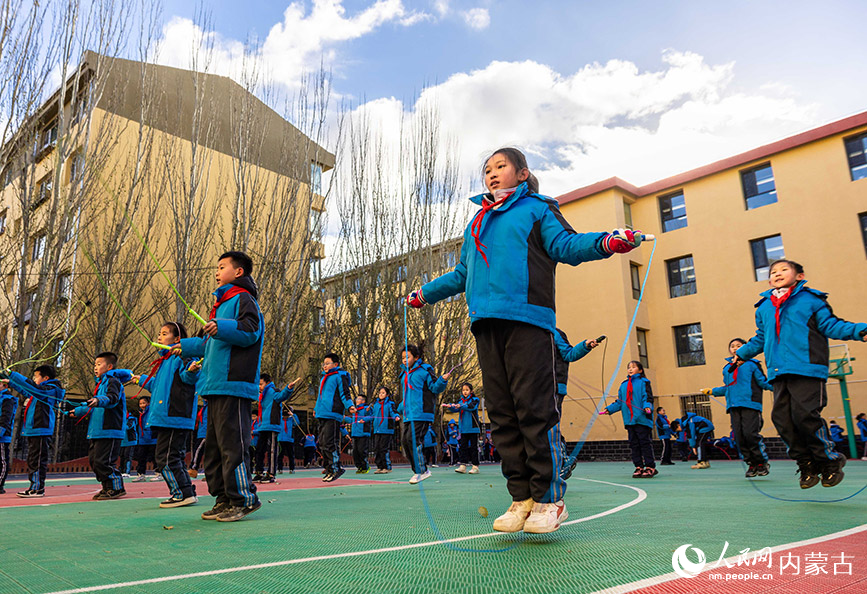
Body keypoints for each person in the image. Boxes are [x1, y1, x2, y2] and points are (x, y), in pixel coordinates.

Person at [407, 147, 644, 533]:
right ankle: (521, 499)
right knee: (501, 416)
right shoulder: (477, 223)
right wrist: (424, 294)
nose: (492, 174)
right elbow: (461, 273)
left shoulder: (537, 209)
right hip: (486, 324)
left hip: (529, 321)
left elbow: (566, 245)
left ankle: (550, 499)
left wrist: (608, 242)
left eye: (500, 166)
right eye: (487, 169)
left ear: (522, 173)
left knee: (534, 409)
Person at [733, 259, 867, 488]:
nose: (777, 273)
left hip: (807, 368)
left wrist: (859, 331)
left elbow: (832, 326)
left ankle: (829, 461)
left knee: (805, 415)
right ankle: (806, 464)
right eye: (773, 272)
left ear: (799, 276)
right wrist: (742, 353)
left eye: (784, 270)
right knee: (782, 420)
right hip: (779, 371)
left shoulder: (811, 301)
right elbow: (761, 338)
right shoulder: (765, 306)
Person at [176, 250, 264, 521]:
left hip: (233, 385)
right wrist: (184, 346)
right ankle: (223, 497)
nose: (216, 271)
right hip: (213, 385)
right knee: (213, 448)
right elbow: (209, 344)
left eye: (222, 266)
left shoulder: (243, 299)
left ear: (238, 272)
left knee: (232, 445)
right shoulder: (221, 303)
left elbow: (250, 330)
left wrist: (220, 326)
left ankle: (243, 498)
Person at [133, 322, 201, 507]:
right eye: (159, 333)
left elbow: (189, 377)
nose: (159, 337)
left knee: (165, 458)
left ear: (177, 339)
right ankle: (185, 490)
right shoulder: (166, 360)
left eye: (164, 333)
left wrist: (192, 370)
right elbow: (158, 386)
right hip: (166, 416)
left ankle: (182, 493)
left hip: (174, 416)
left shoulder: (182, 356)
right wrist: (141, 380)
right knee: (172, 457)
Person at [702, 338, 773, 478]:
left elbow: (763, 382)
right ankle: (751, 464)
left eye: (739, 346)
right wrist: (712, 391)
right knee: (739, 438)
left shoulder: (753, 364)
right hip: (733, 406)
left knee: (750, 435)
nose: (735, 348)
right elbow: (728, 388)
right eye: (732, 346)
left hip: (750, 405)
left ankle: (761, 462)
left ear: (745, 348)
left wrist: (779, 386)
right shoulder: (727, 368)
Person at [69, 353, 131, 500]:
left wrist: (99, 399)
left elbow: (112, 398)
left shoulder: (113, 381)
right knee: (95, 461)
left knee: (104, 461)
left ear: (109, 366)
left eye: (98, 364)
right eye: (95, 364)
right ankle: (107, 487)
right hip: (97, 430)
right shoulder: (100, 384)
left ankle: (116, 487)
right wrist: (77, 411)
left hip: (110, 429)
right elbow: (93, 406)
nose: (95, 367)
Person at [4, 365, 65, 497]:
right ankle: (34, 486)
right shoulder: (40, 391)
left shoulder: (49, 390)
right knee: (32, 460)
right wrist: (10, 382)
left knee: (37, 460)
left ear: (45, 378)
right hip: (34, 429)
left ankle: (37, 488)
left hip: (41, 429)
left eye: (36, 376)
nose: (34, 379)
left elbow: (33, 388)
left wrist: (12, 374)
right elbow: (26, 390)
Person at [397, 343, 449, 485]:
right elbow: (407, 395)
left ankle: (422, 470)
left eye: (407, 357)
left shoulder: (425, 370)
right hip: (409, 414)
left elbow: (434, 388)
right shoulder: (404, 374)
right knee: (405, 442)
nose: (404, 360)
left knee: (414, 440)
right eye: (402, 358)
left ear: (416, 357)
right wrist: (401, 408)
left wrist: (442, 380)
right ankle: (418, 471)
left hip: (421, 413)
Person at [554, 330, 601, 480]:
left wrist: (585, 345)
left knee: (550, 426)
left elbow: (569, 354)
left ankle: (562, 462)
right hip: (531, 389)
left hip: (553, 388)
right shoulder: (525, 334)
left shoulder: (555, 333)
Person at [600, 361, 656, 479]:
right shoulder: (623, 385)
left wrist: (647, 406)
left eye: (633, 367)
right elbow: (620, 402)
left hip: (642, 418)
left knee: (645, 443)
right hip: (629, 420)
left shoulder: (644, 382)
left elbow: (648, 397)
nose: (630, 369)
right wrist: (609, 409)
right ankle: (639, 466)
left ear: (640, 370)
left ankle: (650, 467)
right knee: (634, 444)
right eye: (628, 368)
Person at [314, 352, 354, 483]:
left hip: (333, 414)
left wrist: (349, 406)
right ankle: (329, 468)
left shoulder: (339, 376)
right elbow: (320, 397)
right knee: (322, 442)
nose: (324, 366)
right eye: (323, 364)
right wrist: (316, 409)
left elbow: (345, 393)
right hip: (322, 413)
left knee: (330, 442)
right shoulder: (324, 378)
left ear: (335, 364)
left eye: (327, 363)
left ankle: (336, 467)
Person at [254, 374, 299, 483]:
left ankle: (271, 474)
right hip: (262, 426)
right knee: (259, 449)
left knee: (272, 450)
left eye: (261, 384)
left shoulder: (273, 391)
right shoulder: (262, 395)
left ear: (267, 382)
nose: (259, 386)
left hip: (272, 425)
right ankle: (259, 472)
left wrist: (289, 388)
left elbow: (282, 396)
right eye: (258, 384)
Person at [442, 382, 480, 475]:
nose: (465, 392)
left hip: (473, 428)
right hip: (463, 429)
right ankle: (463, 465)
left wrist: (460, 405)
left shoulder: (475, 399)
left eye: (467, 390)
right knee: (463, 447)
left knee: (474, 447)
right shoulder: (460, 401)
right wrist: (450, 406)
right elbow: (456, 409)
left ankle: (475, 466)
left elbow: (471, 407)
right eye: (463, 390)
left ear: (471, 391)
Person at [364, 387, 400, 474]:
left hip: (386, 429)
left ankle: (386, 466)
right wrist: (364, 419)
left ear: (387, 395)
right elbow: (373, 415)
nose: (381, 394)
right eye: (380, 392)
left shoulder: (390, 404)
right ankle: (379, 466)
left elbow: (393, 412)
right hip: (377, 429)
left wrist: (396, 417)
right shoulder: (375, 404)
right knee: (377, 448)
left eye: (383, 393)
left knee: (384, 448)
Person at [132, 396, 157, 482]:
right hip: (143, 439)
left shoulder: (151, 411)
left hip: (152, 438)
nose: (142, 405)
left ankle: (158, 473)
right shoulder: (140, 413)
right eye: (140, 403)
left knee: (154, 457)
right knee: (141, 457)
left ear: (148, 403)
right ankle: (141, 474)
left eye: (144, 403)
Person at [345, 395, 372, 474]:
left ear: (363, 401)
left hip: (363, 433)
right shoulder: (354, 411)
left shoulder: (366, 409)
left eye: (359, 399)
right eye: (356, 398)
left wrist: (364, 419)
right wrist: (344, 418)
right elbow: (352, 421)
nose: (356, 400)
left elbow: (371, 417)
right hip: (355, 433)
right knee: (355, 452)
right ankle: (359, 466)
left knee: (362, 451)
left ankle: (365, 466)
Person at [0, 379, 18, 494]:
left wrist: (0, 432)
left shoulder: (7, 399)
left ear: (4, 385)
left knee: (2, 460)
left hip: (2, 435)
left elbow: (6, 418)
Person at [277, 408, 301, 474]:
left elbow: (297, 423)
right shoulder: (279, 419)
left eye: (286, 415)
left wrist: (293, 415)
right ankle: (279, 468)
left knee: (291, 455)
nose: (285, 417)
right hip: (281, 439)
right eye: (284, 415)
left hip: (289, 439)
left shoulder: (291, 419)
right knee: (280, 455)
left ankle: (292, 469)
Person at [190, 401, 208, 476]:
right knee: (208, 453)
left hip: (205, 433)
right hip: (202, 432)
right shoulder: (205, 407)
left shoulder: (210, 407)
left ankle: (194, 468)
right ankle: (209, 473)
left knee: (198, 449)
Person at [119, 412, 137, 477]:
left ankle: (127, 472)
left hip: (130, 441)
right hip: (122, 442)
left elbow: (128, 427)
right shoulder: (120, 417)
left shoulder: (131, 419)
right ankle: (121, 471)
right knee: (122, 456)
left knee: (128, 456)